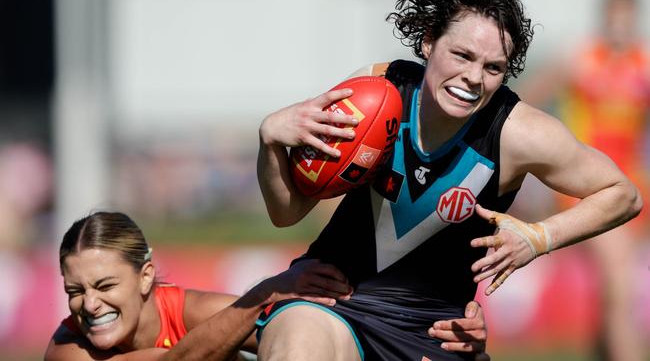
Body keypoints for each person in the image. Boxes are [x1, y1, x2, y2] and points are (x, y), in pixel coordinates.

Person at [256, 0, 643, 360]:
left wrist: (538, 238)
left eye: (493, 68)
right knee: (297, 343)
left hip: (436, 332)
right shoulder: (376, 91)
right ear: (428, 42)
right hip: (332, 306)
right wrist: (271, 141)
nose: (473, 77)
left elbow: (622, 194)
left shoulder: (518, 132)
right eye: (462, 55)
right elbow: (287, 212)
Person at [44, 211, 491, 360]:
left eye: (104, 285)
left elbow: (333, 338)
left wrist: (445, 340)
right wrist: (267, 293)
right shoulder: (68, 350)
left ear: (145, 277)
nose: (90, 304)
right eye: (75, 291)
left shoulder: (193, 311)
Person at [519, 0, 650, 359]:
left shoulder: (644, 66)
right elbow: (526, 101)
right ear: (605, 18)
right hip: (588, 189)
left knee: (611, 291)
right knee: (621, 288)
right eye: (614, 17)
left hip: (633, 187)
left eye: (627, 18)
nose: (620, 26)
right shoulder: (581, 61)